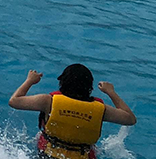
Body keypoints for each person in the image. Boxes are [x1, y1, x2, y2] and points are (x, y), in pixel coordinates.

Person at [7, 65, 136, 159]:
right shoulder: (102, 110)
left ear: (62, 83)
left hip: (47, 154)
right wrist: (111, 92)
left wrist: (30, 80)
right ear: (89, 88)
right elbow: (130, 119)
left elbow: (14, 101)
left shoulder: (48, 101)